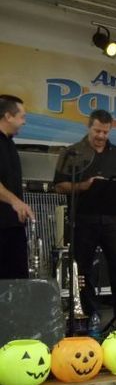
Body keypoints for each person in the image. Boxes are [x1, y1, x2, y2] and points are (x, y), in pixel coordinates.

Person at [54, 109, 116, 321]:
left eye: (105, 132)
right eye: (97, 131)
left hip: (112, 219)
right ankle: (89, 317)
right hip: (83, 218)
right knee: (83, 270)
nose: (101, 136)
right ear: (89, 127)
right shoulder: (71, 153)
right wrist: (85, 185)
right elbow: (59, 186)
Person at [0, 95, 35, 279]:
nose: (24, 122)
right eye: (22, 117)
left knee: (17, 281)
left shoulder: (10, 143)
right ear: (8, 116)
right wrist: (15, 201)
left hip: (13, 225)